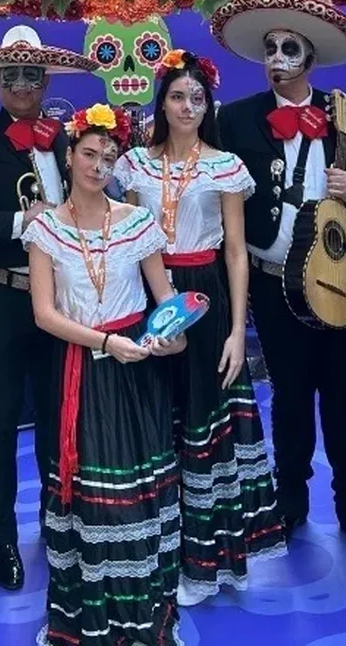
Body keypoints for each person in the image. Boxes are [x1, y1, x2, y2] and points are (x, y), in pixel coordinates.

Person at [212, 0, 346, 560]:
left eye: (290, 49)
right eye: (270, 48)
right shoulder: (236, 118)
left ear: (311, 59)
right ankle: (290, 502)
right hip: (270, 279)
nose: (277, 58)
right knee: (289, 395)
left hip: (344, 279)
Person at [113, 49, 285, 606]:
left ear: (208, 105)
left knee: (203, 428)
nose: (188, 106)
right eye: (177, 96)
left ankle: (205, 561)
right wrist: (156, 304)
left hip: (206, 297)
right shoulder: (135, 164)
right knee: (154, 423)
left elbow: (237, 252)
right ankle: (156, 551)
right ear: (161, 102)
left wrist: (239, 331)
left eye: (198, 97)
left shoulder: (226, 166)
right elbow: (136, 239)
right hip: (150, 294)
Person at [0, 25, 99, 590]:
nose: (23, 85)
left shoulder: (65, 141)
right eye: (12, 76)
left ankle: (59, 523)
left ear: (46, 80)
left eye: (32, 75)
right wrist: (17, 222)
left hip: (62, 299)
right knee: (1, 420)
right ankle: (1, 536)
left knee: (63, 415)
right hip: (1, 293)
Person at [23, 103, 183, 646]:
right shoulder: (46, 229)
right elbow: (45, 315)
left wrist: (172, 334)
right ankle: (87, 625)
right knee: (91, 500)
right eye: (88, 153)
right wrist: (107, 343)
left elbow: (166, 300)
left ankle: (146, 623)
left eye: (108, 156)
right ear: (69, 157)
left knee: (141, 495)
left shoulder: (138, 222)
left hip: (137, 374)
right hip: (82, 372)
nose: (98, 165)